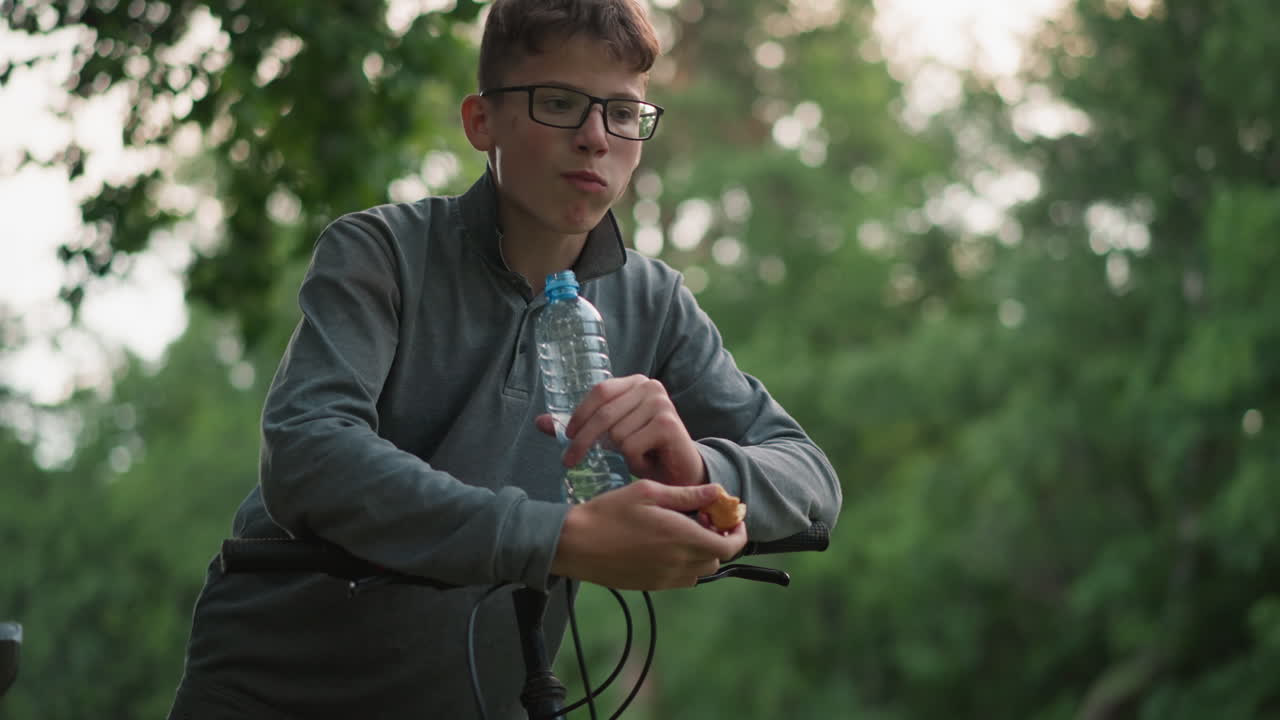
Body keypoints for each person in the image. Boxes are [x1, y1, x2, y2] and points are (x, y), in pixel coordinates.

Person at [167, 0, 841, 717]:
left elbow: (810, 476)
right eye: (560, 103)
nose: (595, 137)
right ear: (480, 121)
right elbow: (308, 452)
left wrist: (700, 470)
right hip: (273, 694)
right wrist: (556, 538)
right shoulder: (381, 253)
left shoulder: (654, 301)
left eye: (622, 112)